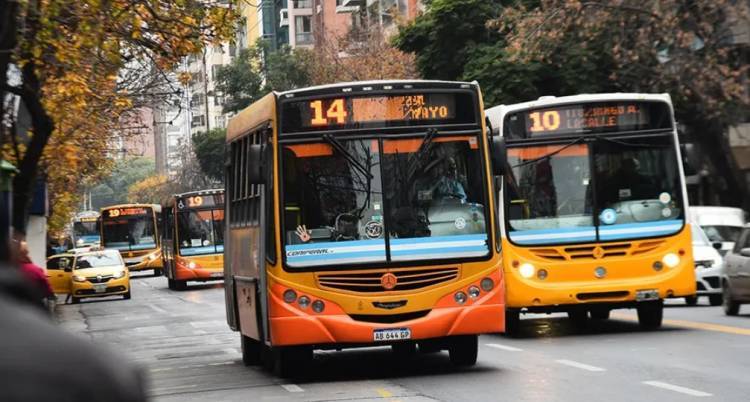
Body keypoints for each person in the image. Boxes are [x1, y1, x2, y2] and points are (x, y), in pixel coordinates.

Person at [13, 240, 54, 311]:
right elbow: (47, 289)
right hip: (34, 307)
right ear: (26, 253)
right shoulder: (34, 269)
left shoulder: (8, 270)